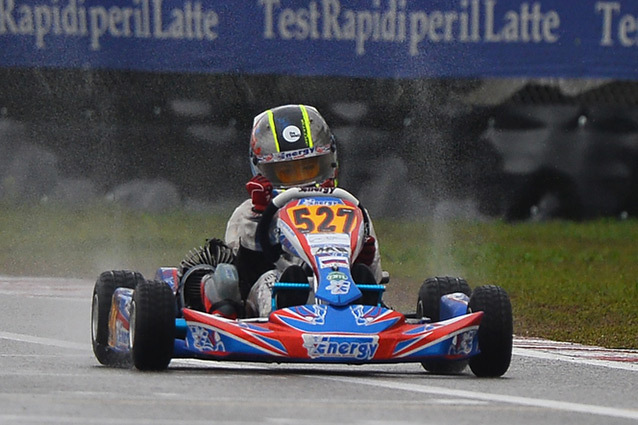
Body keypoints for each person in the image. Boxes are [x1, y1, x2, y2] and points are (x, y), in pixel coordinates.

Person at [198, 104, 382, 318]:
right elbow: (242, 276)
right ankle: (282, 318)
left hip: (341, 297)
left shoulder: (351, 209)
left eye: (309, 167)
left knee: (360, 276)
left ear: (328, 161)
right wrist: (259, 216)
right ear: (262, 171)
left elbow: (376, 278)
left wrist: (363, 261)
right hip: (271, 308)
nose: (302, 180)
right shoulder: (247, 213)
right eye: (287, 173)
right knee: (278, 279)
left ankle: (367, 318)